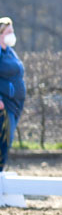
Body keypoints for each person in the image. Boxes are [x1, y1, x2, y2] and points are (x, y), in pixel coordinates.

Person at [0, 17, 26, 172]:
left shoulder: (10, 52)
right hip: (4, 105)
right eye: (9, 32)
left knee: (7, 142)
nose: (12, 35)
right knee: (4, 141)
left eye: (12, 31)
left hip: (15, 105)